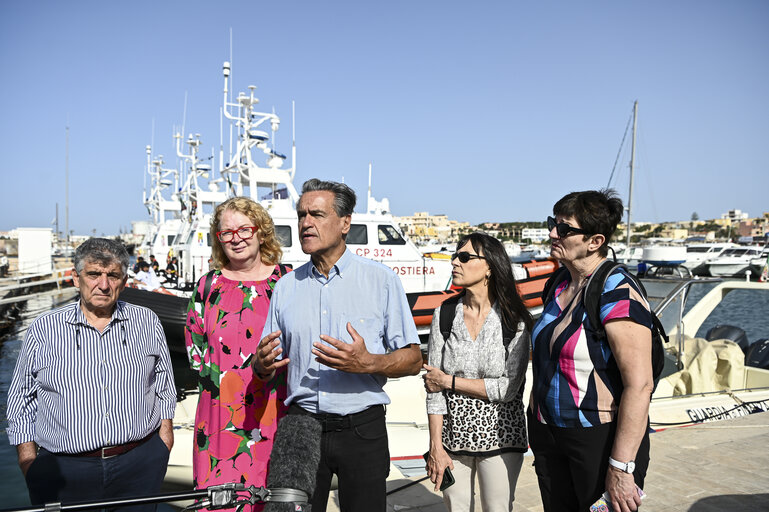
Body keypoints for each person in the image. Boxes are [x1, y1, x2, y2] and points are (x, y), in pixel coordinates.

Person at [253, 178, 422, 512]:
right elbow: (264, 369)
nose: (305, 223)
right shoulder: (285, 287)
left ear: (345, 223)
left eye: (316, 214)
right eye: (302, 215)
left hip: (361, 428)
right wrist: (261, 366)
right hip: (300, 428)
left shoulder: (382, 281)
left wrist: (369, 363)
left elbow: (414, 359)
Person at [6, 237, 176, 508]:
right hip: (64, 471)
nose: (104, 284)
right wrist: (29, 463)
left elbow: (164, 385)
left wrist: (163, 441)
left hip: (140, 463)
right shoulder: (44, 329)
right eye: (94, 274)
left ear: (124, 280)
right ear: (76, 278)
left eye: (113, 275)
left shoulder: (147, 321)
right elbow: (21, 401)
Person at [528, 189, 653, 512]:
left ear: (595, 241)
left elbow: (639, 385)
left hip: (596, 438)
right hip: (549, 434)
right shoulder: (558, 283)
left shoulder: (617, 291)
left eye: (565, 228)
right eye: (552, 224)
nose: (553, 233)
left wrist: (622, 467)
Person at [185, 197, 291, 511]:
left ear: (261, 232)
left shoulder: (286, 282)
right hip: (220, 420)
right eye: (226, 232)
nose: (236, 238)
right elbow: (196, 353)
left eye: (245, 229)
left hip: (276, 415)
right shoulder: (207, 286)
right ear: (219, 239)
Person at [423, 232, 532, 512]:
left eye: (464, 257)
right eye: (455, 257)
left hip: (501, 437)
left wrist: (450, 381)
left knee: (497, 508)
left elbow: (507, 389)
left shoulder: (513, 319)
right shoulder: (444, 314)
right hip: (451, 438)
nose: (455, 263)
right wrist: (436, 445)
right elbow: (433, 391)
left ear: (489, 267)